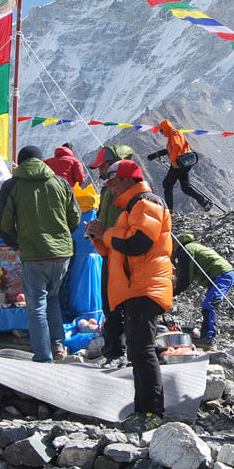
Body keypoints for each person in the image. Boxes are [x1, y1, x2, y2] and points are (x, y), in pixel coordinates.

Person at [86, 160, 172, 434]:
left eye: (113, 184)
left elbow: (138, 244)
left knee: (143, 349)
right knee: (137, 349)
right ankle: (142, 410)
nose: (111, 190)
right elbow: (120, 250)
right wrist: (99, 239)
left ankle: (152, 412)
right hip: (137, 286)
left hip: (144, 286)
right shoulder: (132, 208)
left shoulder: (146, 203)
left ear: (126, 180)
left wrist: (106, 233)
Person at [0, 145, 81, 363]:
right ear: (42, 161)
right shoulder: (60, 182)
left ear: (20, 163)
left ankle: (43, 356)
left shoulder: (12, 185)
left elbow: (3, 223)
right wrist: (60, 238)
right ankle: (58, 346)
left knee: (36, 306)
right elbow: (75, 217)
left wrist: (15, 240)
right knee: (52, 298)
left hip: (34, 254)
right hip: (61, 255)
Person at [87, 144, 135, 367]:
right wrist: (97, 231)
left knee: (118, 303)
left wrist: (104, 233)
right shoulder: (109, 188)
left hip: (122, 251)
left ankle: (119, 352)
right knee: (110, 302)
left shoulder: (126, 189)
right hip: (110, 249)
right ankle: (116, 351)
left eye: (103, 166)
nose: (100, 171)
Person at [172, 233, 234, 340]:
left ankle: (208, 338)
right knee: (209, 303)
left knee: (210, 304)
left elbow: (185, 278)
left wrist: (172, 293)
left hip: (221, 274)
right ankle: (205, 334)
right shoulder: (189, 248)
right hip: (222, 273)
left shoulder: (185, 251)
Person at [147, 119, 211, 212]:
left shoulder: (174, 135)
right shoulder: (176, 134)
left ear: (166, 129)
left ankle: (169, 210)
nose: (161, 133)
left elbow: (177, 146)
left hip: (179, 163)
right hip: (186, 162)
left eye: (161, 130)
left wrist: (173, 161)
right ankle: (205, 202)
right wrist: (156, 155)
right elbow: (172, 149)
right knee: (185, 187)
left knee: (167, 184)